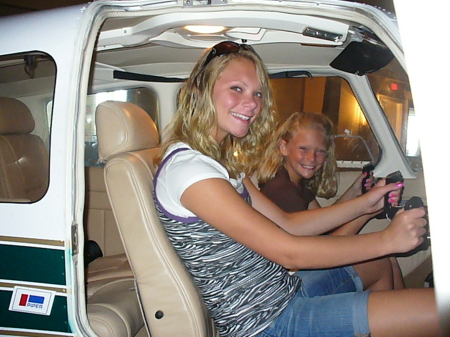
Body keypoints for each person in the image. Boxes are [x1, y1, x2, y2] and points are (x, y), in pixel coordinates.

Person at [153, 41, 440, 337]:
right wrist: (389, 240)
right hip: (264, 324)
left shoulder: (223, 162)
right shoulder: (188, 171)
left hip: (285, 292)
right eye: (236, 89)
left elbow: (288, 224)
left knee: (378, 264)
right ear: (201, 90)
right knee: (438, 310)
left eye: (257, 93)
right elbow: (288, 253)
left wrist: (365, 204)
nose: (251, 103)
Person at [258, 111, 405, 290]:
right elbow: (329, 244)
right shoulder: (282, 192)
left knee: (388, 257)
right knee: (379, 261)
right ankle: (389, 315)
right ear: (284, 148)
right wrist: (367, 210)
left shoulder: (296, 184)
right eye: (303, 149)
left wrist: (355, 191)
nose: (312, 158)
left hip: (303, 265)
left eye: (320, 151)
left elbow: (324, 222)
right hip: (287, 281)